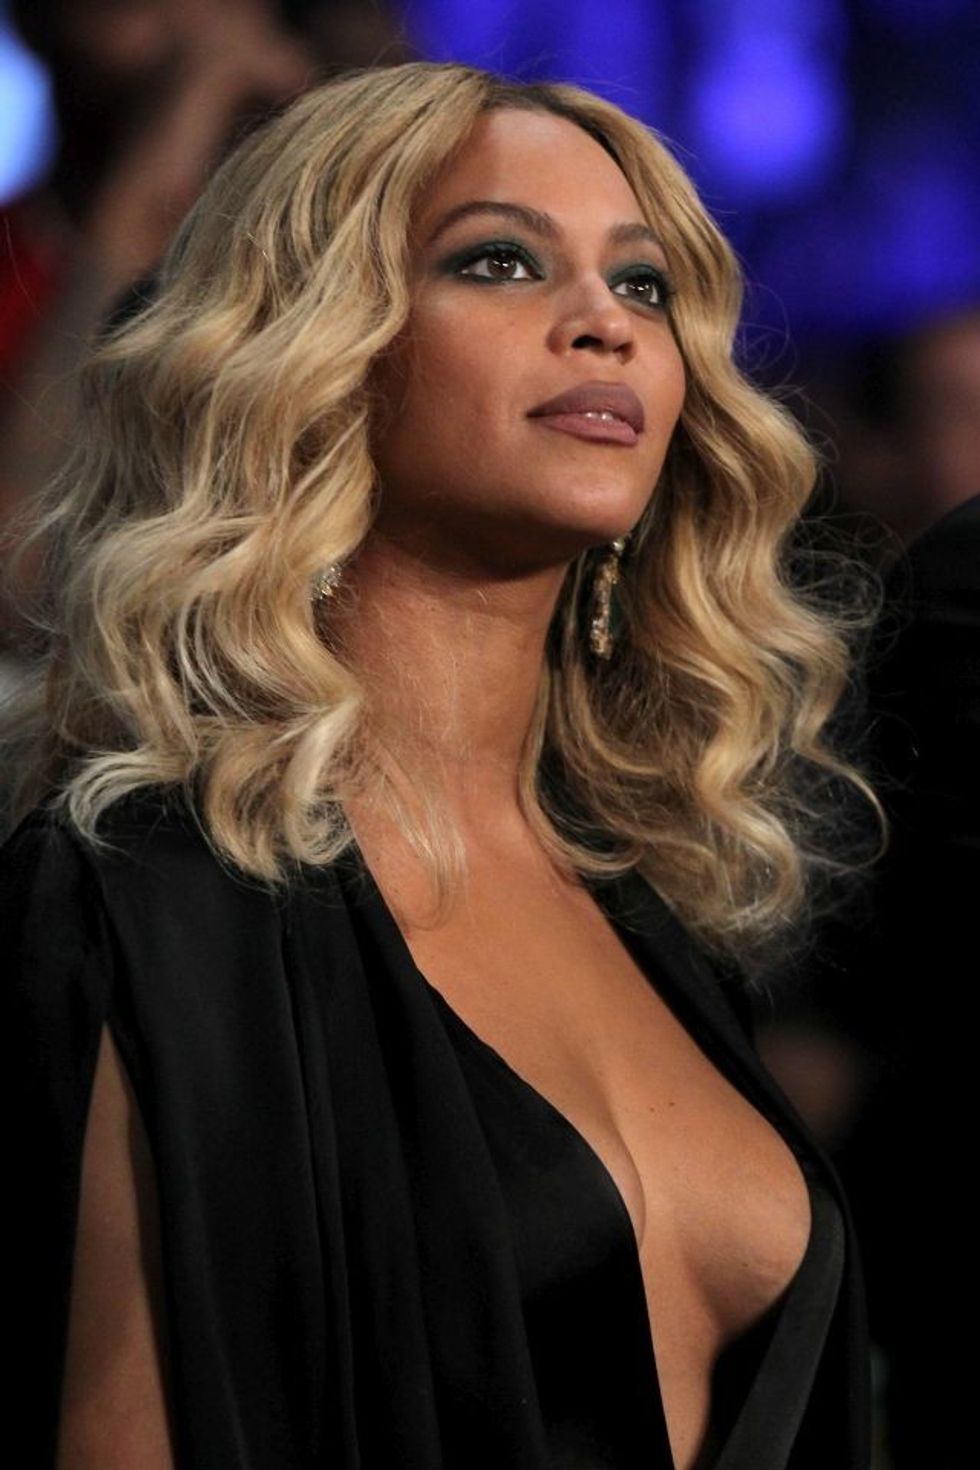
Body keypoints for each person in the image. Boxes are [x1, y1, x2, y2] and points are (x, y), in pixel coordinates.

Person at [2, 62, 877, 1470]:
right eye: (499, 260)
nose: (602, 321)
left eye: (644, 286)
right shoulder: (149, 903)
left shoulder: (658, 909)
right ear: (320, 353)